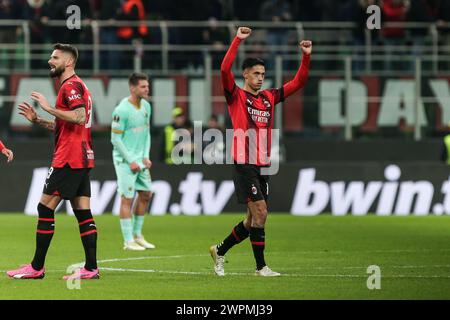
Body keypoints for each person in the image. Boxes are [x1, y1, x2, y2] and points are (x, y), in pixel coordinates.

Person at [209, 27, 311, 277]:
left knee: (251, 220)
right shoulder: (235, 95)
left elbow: (299, 82)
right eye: (256, 73)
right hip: (244, 162)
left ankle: (219, 250)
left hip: (263, 163)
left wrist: (306, 56)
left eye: (263, 74)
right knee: (262, 213)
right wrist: (237, 39)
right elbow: (223, 69)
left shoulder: (268, 97)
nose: (260, 77)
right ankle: (260, 267)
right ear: (245, 74)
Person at [8, 43, 98, 280]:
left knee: (44, 207)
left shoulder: (71, 86)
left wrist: (48, 107)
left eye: (55, 57)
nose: (50, 60)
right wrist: (38, 119)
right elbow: (65, 126)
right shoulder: (77, 86)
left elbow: (79, 117)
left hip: (68, 158)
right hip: (81, 156)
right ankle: (91, 268)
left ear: (68, 62)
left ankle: (36, 267)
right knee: (83, 212)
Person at [111, 72, 155, 251]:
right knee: (127, 198)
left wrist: (145, 156)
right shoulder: (121, 110)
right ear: (133, 88)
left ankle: (137, 235)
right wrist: (131, 161)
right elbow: (115, 139)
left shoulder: (146, 106)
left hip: (140, 160)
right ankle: (128, 241)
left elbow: (147, 133)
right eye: (143, 86)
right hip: (124, 161)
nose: (147, 89)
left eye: (147, 86)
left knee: (146, 194)